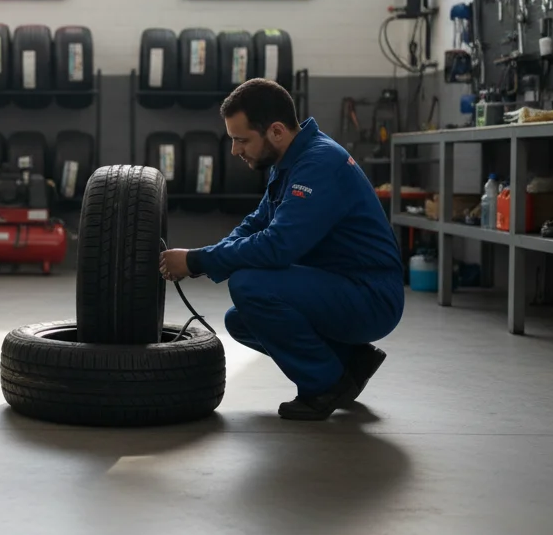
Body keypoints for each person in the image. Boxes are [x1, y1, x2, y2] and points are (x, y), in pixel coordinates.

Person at [159, 79, 404, 421]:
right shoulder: (292, 160)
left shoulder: (318, 164)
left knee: (249, 286)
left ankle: (324, 384)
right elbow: (257, 223)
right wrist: (201, 253)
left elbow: (277, 247)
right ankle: (350, 361)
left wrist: (197, 261)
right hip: (342, 286)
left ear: (275, 131)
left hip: (371, 297)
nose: (234, 150)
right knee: (242, 321)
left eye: (241, 139)